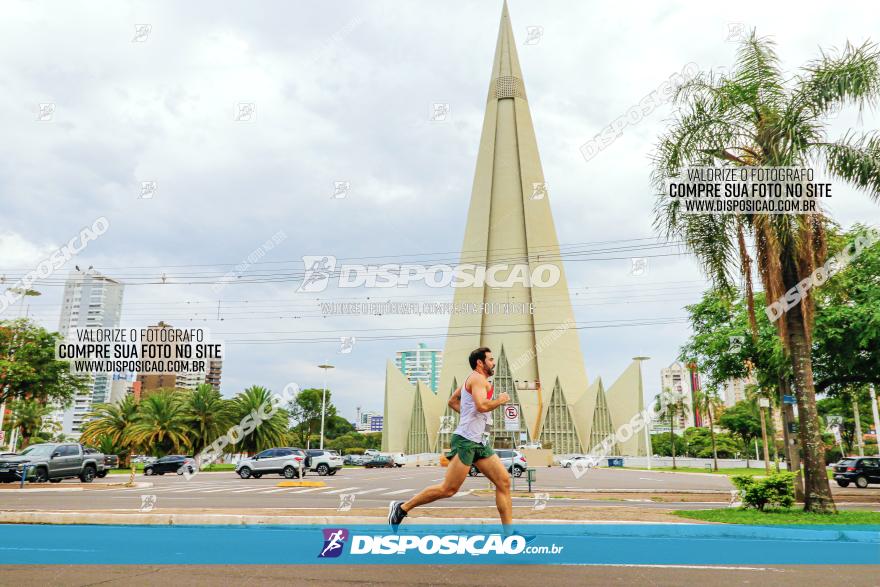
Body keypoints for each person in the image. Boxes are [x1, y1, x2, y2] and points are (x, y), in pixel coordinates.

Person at [388, 347, 512, 530]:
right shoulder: (477, 379)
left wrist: (468, 415)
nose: (493, 363)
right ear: (480, 362)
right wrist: (500, 400)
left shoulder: (472, 381)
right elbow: (482, 406)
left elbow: (453, 401)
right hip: (466, 441)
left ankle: (509, 536)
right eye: (491, 359)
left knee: (504, 482)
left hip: (479, 442)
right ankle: (402, 508)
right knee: (449, 489)